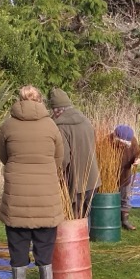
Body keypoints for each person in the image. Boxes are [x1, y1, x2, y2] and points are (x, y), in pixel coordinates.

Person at [0, 86, 65, 279]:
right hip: (46, 192)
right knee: (45, 239)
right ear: (39, 100)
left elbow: (3, 156)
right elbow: (59, 158)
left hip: (17, 190)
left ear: (19, 100)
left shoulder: (8, 125)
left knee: (17, 238)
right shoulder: (51, 125)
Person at [48, 88, 100, 218]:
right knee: (84, 219)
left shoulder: (61, 127)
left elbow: (63, 158)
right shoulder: (86, 120)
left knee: (74, 220)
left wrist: (55, 174)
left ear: (57, 110)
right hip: (93, 178)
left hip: (75, 182)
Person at [112, 124, 140, 231]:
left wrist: (137, 160)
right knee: (111, 198)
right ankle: (111, 219)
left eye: (125, 144)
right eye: (121, 143)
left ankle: (125, 220)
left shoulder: (133, 141)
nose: (123, 146)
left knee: (125, 197)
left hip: (125, 174)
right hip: (109, 176)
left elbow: (137, 154)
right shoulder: (106, 141)